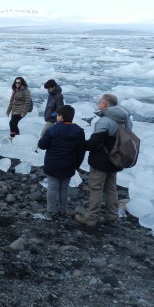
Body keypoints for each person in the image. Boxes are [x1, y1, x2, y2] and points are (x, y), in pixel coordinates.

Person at [75, 94, 133, 228]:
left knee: (96, 188)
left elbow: (94, 144)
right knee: (111, 188)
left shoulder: (105, 121)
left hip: (101, 160)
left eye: (99, 103)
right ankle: (112, 218)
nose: (98, 105)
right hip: (116, 159)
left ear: (105, 104)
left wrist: (80, 144)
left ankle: (90, 218)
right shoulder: (126, 120)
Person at [37, 105, 86, 220]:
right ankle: (62, 211)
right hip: (69, 165)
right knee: (64, 188)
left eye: (58, 115)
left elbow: (42, 145)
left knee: (52, 188)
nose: (57, 117)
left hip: (53, 164)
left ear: (61, 117)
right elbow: (81, 151)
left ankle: (51, 212)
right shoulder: (79, 131)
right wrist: (76, 165)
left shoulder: (53, 129)